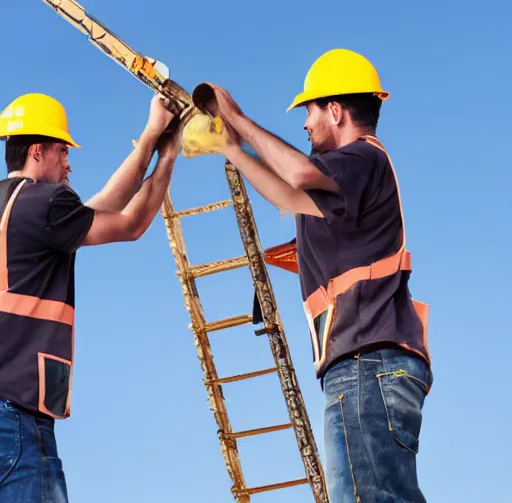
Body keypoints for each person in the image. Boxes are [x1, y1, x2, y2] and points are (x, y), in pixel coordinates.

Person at [199, 49, 433, 502]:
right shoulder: (350, 181)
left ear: (335, 110)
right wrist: (230, 146)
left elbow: (301, 172)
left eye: (308, 111)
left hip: (367, 363)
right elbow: (289, 197)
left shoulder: (361, 158)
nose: (304, 124)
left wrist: (238, 117)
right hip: (367, 364)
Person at [0, 91, 181, 501]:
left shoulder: (20, 211)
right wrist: (165, 151)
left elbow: (99, 207)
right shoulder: (46, 204)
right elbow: (131, 222)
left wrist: (151, 138)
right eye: (62, 151)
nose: (68, 164)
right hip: (17, 420)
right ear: (37, 152)